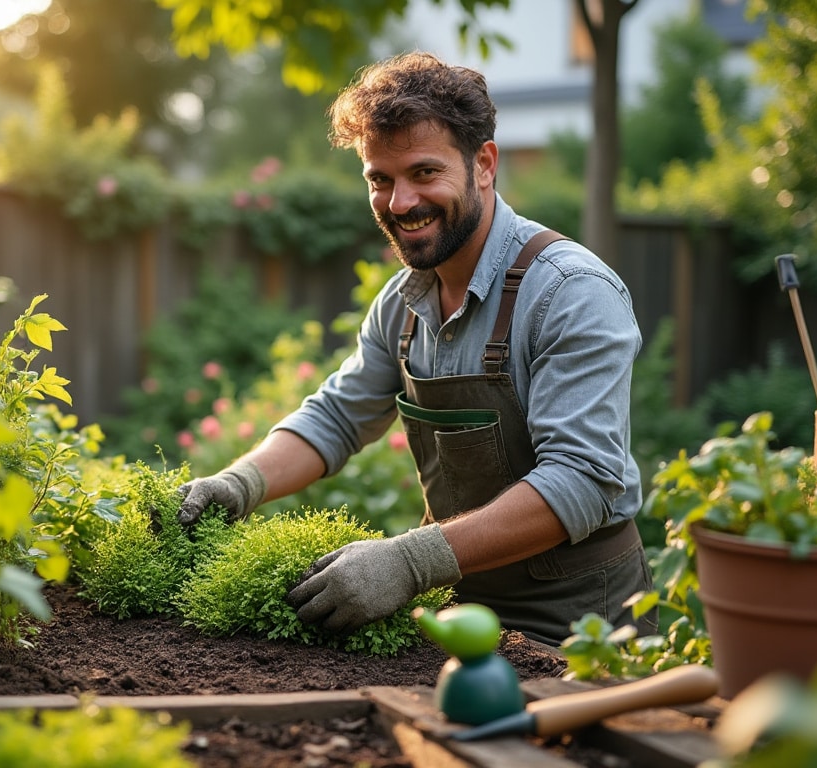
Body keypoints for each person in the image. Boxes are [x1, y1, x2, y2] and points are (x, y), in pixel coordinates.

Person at [176, 52, 655, 646]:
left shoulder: (569, 293)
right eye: (380, 179)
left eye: (424, 173)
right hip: (458, 608)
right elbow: (337, 417)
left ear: (484, 164)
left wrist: (407, 562)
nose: (400, 203)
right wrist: (237, 484)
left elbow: (582, 480)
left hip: (582, 624)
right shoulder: (402, 302)